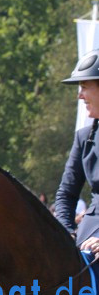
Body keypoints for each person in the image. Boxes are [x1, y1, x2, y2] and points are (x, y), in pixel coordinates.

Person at [56, 48, 99, 252]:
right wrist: (66, 231)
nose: (80, 96)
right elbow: (66, 193)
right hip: (89, 229)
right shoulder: (84, 137)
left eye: (83, 86)